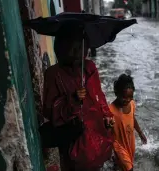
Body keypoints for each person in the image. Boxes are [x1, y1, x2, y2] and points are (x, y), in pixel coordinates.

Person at [42, 31, 114, 171]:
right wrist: (72, 100)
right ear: (62, 48)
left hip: (94, 128)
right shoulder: (53, 74)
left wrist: (107, 115)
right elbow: (49, 110)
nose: (78, 53)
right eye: (73, 48)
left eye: (81, 48)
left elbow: (99, 95)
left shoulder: (89, 67)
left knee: (96, 159)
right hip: (72, 133)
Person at [109, 74, 147, 171]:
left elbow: (132, 119)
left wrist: (140, 132)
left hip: (130, 142)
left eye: (130, 97)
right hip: (118, 145)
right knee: (129, 168)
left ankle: (116, 165)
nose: (128, 100)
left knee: (124, 163)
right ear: (116, 93)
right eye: (124, 97)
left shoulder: (132, 104)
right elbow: (106, 129)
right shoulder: (110, 110)